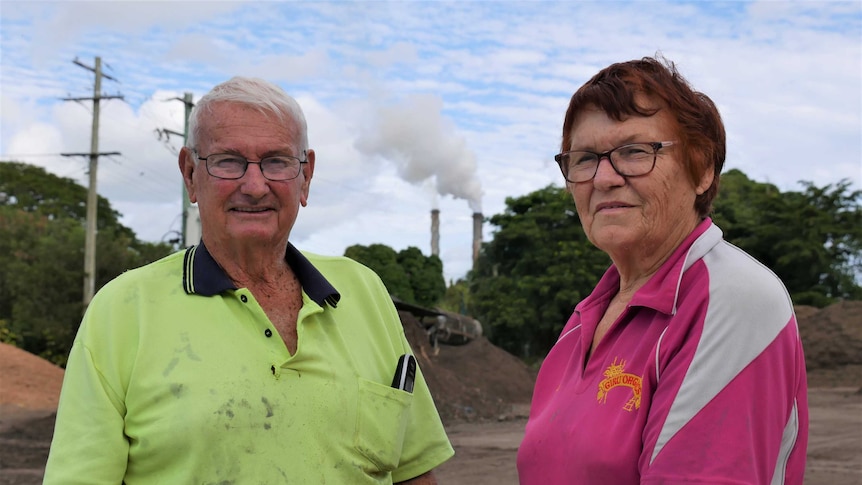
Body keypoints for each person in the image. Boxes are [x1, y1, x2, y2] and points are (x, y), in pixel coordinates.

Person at [44, 77, 454, 484]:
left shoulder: (364, 292)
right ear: (190, 174)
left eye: (277, 161)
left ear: (305, 176)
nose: (255, 186)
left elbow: (414, 473)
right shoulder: (122, 312)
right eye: (228, 161)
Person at [516, 56, 809, 484]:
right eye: (584, 159)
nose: (603, 178)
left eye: (634, 152)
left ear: (702, 168)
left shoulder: (730, 298)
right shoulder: (582, 322)